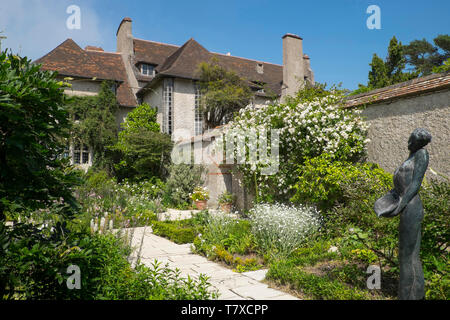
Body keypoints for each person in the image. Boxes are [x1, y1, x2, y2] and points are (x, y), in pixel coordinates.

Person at [374, 128, 431, 300]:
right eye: (409, 139)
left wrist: (400, 205)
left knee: (408, 255)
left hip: (411, 206)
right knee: (407, 255)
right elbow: (401, 185)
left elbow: (415, 185)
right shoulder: (411, 156)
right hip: (406, 204)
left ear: (418, 143)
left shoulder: (422, 154)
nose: (408, 143)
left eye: (412, 141)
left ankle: (409, 296)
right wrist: (388, 201)